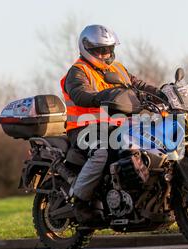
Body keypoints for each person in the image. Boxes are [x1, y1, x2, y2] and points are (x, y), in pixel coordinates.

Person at [60, 24, 160, 225]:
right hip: (84, 129)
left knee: (154, 141)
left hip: (117, 126)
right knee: (102, 151)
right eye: (100, 50)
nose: (105, 54)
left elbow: (138, 85)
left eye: (108, 49)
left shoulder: (118, 69)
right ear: (87, 48)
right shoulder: (78, 72)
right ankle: (79, 201)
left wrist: (161, 93)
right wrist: (101, 97)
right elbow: (79, 94)